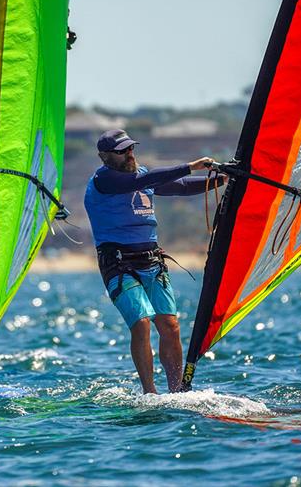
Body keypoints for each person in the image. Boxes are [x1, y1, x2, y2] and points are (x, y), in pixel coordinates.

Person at [83, 129, 226, 394]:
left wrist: (221, 180)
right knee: (141, 322)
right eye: (122, 151)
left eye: (131, 148)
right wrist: (190, 166)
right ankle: (150, 393)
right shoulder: (104, 180)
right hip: (118, 264)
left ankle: (177, 391)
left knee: (170, 326)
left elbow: (180, 188)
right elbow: (144, 180)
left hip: (151, 261)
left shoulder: (141, 175)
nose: (129, 154)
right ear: (105, 156)